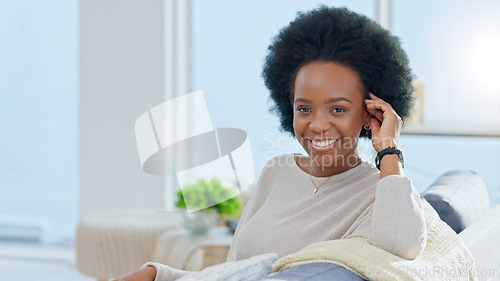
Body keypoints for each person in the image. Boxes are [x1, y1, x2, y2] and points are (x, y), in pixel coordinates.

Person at [115, 5, 428, 281]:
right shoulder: (276, 172)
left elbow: (401, 245)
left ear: (368, 113)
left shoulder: (385, 191)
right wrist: (158, 274)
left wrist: (388, 149)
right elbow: (231, 271)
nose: (317, 125)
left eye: (338, 109)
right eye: (304, 108)